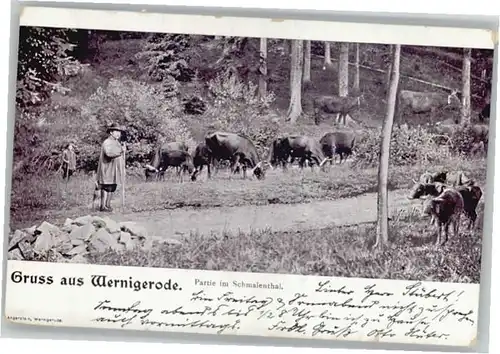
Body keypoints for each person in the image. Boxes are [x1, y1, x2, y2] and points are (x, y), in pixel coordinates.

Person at [96, 123, 126, 212]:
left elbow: (120, 155)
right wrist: (121, 150)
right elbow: (109, 153)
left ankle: (108, 205)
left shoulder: (117, 142)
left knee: (112, 186)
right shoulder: (107, 142)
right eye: (116, 131)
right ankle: (103, 206)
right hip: (107, 168)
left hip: (114, 169)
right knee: (106, 186)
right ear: (111, 132)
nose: (118, 133)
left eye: (119, 132)